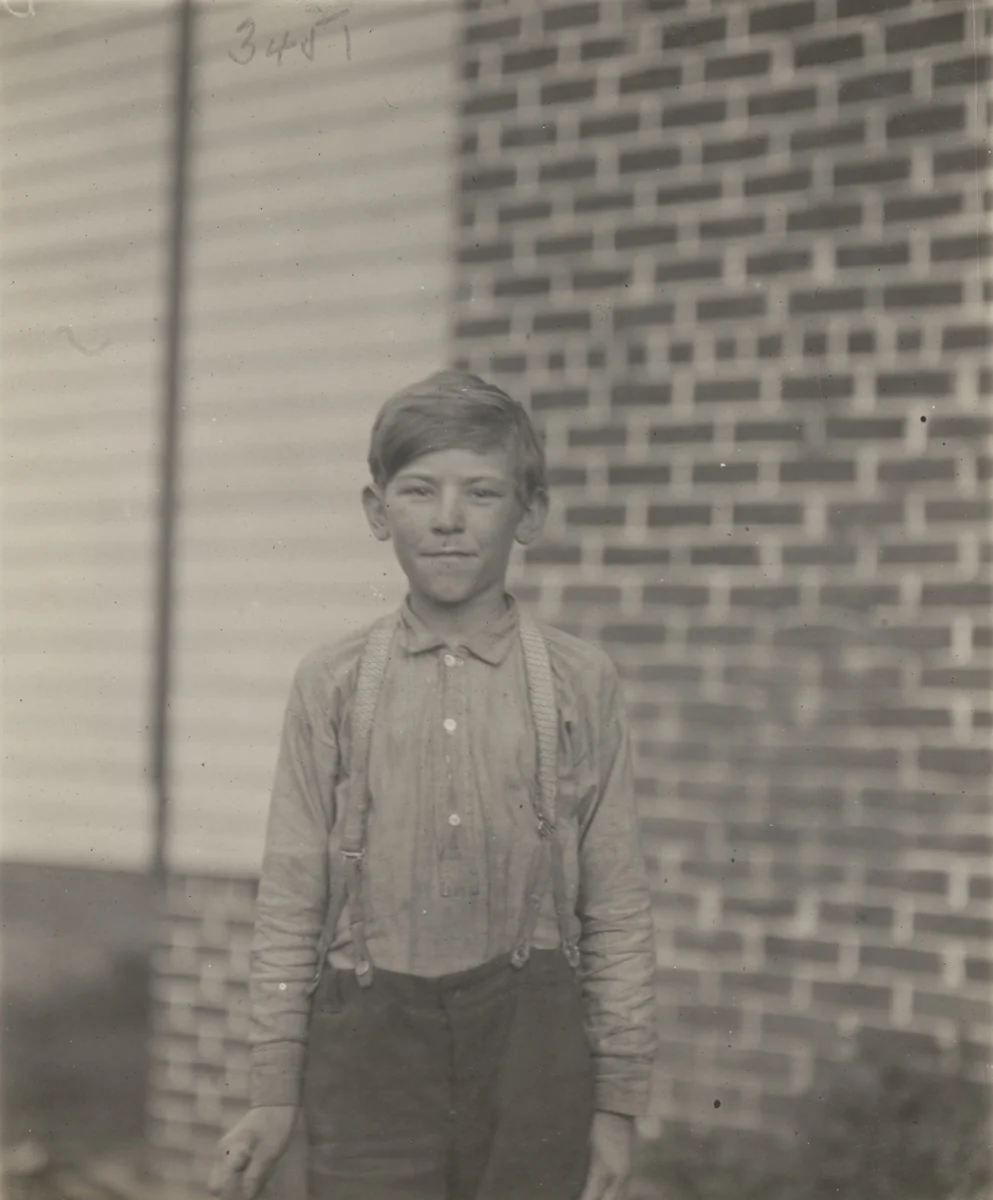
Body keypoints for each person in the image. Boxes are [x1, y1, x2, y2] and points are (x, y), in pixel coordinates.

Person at [209, 371, 658, 1200]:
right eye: (419, 490)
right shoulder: (332, 681)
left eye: (480, 492)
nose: (448, 518)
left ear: (530, 514)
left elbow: (616, 902)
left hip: (531, 1049)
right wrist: (273, 1093)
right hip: (370, 1045)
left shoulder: (579, 680)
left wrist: (616, 1103)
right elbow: (291, 896)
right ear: (377, 511)